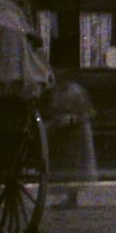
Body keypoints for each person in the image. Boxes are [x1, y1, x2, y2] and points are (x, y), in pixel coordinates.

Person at [41, 78, 98, 208]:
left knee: (74, 164)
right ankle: (66, 197)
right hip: (62, 133)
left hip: (76, 132)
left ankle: (71, 197)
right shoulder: (55, 91)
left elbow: (87, 113)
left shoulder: (76, 91)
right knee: (64, 164)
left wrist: (71, 119)